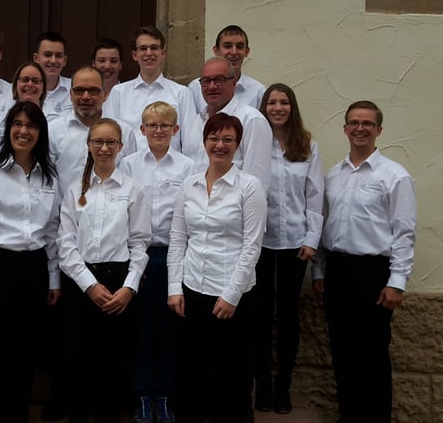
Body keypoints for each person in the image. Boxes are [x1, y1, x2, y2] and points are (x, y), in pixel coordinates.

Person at [312, 101, 417, 423]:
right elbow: (323, 224)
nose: (360, 128)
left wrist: (396, 281)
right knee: (342, 354)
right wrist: (319, 269)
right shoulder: (333, 175)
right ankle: (349, 415)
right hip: (339, 272)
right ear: (345, 129)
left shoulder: (394, 176)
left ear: (379, 130)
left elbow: (404, 232)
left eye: (367, 123)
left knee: (372, 356)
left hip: (373, 274)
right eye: (354, 123)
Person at [0, 101, 60, 423]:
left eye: (31, 125)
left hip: (32, 270)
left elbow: (52, 231)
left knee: (24, 355)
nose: (23, 131)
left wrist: (54, 279)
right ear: (8, 129)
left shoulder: (49, 176)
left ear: (40, 133)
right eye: (17, 124)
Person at [167, 113, 267, 423]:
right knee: (190, 376)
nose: (219, 145)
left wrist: (231, 295)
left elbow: (252, 246)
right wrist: (174, 288)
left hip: (232, 298)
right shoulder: (190, 185)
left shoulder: (249, 187)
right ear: (204, 141)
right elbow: (178, 238)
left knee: (232, 380)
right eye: (214, 138)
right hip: (192, 291)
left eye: (227, 140)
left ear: (238, 145)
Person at [58, 118, 151, 423]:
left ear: (121, 147)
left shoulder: (132, 190)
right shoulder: (75, 190)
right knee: (77, 358)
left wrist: (129, 287)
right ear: (89, 146)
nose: (104, 148)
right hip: (80, 282)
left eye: (111, 142)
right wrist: (88, 284)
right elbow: (66, 244)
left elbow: (139, 243)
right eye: (98, 141)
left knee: (113, 360)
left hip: (118, 282)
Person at [120, 101, 196, 423]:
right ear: (142, 130)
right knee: (141, 329)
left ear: (175, 130)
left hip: (172, 255)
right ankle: (141, 395)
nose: (159, 130)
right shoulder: (128, 165)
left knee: (168, 330)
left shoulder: (187, 167)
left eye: (165, 125)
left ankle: (163, 395)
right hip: (137, 255)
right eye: (152, 125)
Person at [252, 84, 324, 414]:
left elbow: (314, 196)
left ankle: (284, 386)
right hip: (261, 242)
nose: (277, 108)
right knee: (260, 315)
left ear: (292, 107)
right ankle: (262, 384)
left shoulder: (307, 146)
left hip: (296, 244)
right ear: (263, 107)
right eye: (272, 102)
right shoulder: (255, 145)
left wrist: (312, 239)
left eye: (284, 102)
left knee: (289, 315)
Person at [182, 57, 272, 191]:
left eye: (219, 80)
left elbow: (258, 184)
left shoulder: (251, 120)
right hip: (195, 208)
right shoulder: (194, 122)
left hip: (233, 209)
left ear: (234, 83)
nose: (212, 86)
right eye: (206, 81)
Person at [104, 26, 196, 153]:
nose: (148, 53)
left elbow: (190, 141)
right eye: (143, 48)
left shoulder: (182, 93)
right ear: (134, 55)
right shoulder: (119, 93)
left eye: (154, 48)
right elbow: (109, 135)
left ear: (163, 53)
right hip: (128, 169)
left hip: (171, 169)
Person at [49, 66, 137, 198]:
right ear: (70, 94)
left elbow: (131, 179)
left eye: (93, 91)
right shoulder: (53, 131)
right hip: (66, 215)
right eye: (79, 90)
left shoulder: (124, 132)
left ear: (105, 94)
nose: (85, 96)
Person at [188, 25, 265, 113]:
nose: (234, 52)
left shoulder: (258, 92)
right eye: (227, 46)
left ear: (246, 51)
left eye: (239, 47)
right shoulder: (195, 88)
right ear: (216, 50)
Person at [33, 31, 72, 121]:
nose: (53, 60)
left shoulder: (75, 88)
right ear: (36, 58)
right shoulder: (22, 89)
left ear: (65, 60)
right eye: (48, 55)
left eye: (58, 56)